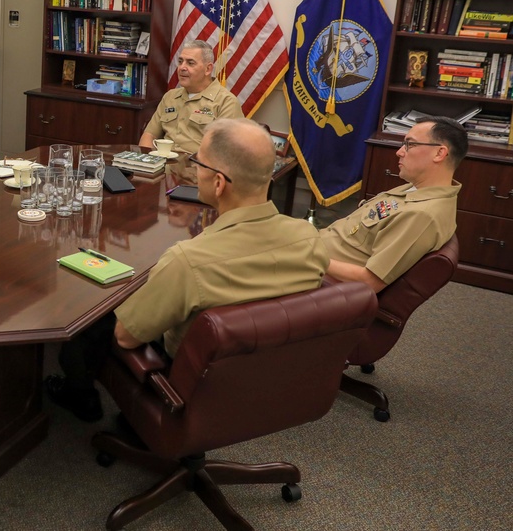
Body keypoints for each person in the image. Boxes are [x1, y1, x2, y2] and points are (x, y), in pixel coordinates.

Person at [47, 119, 329, 421]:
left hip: (189, 382)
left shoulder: (188, 260)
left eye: (197, 163)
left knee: (93, 318)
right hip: (268, 377)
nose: (194, 171)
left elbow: (127, 338)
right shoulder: (309, 238)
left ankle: (81, 397)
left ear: (218, 183)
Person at [321, 116, 466, 293]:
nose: (399, 152)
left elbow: (370, 282)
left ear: (439, 153)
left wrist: (308, 256)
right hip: (318, 247)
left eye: (409, 145)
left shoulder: (422, 216)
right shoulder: (417, 189)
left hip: (316, 272)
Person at [138, 39, 244, 155]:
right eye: (180, 61)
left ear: (208, 69)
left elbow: (226, 151)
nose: (182, 67)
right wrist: (145, 163)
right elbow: (149, 134)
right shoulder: (170, 97)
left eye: (190, 63)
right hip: (162, 165)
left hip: (198, 168)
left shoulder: (226, 102)